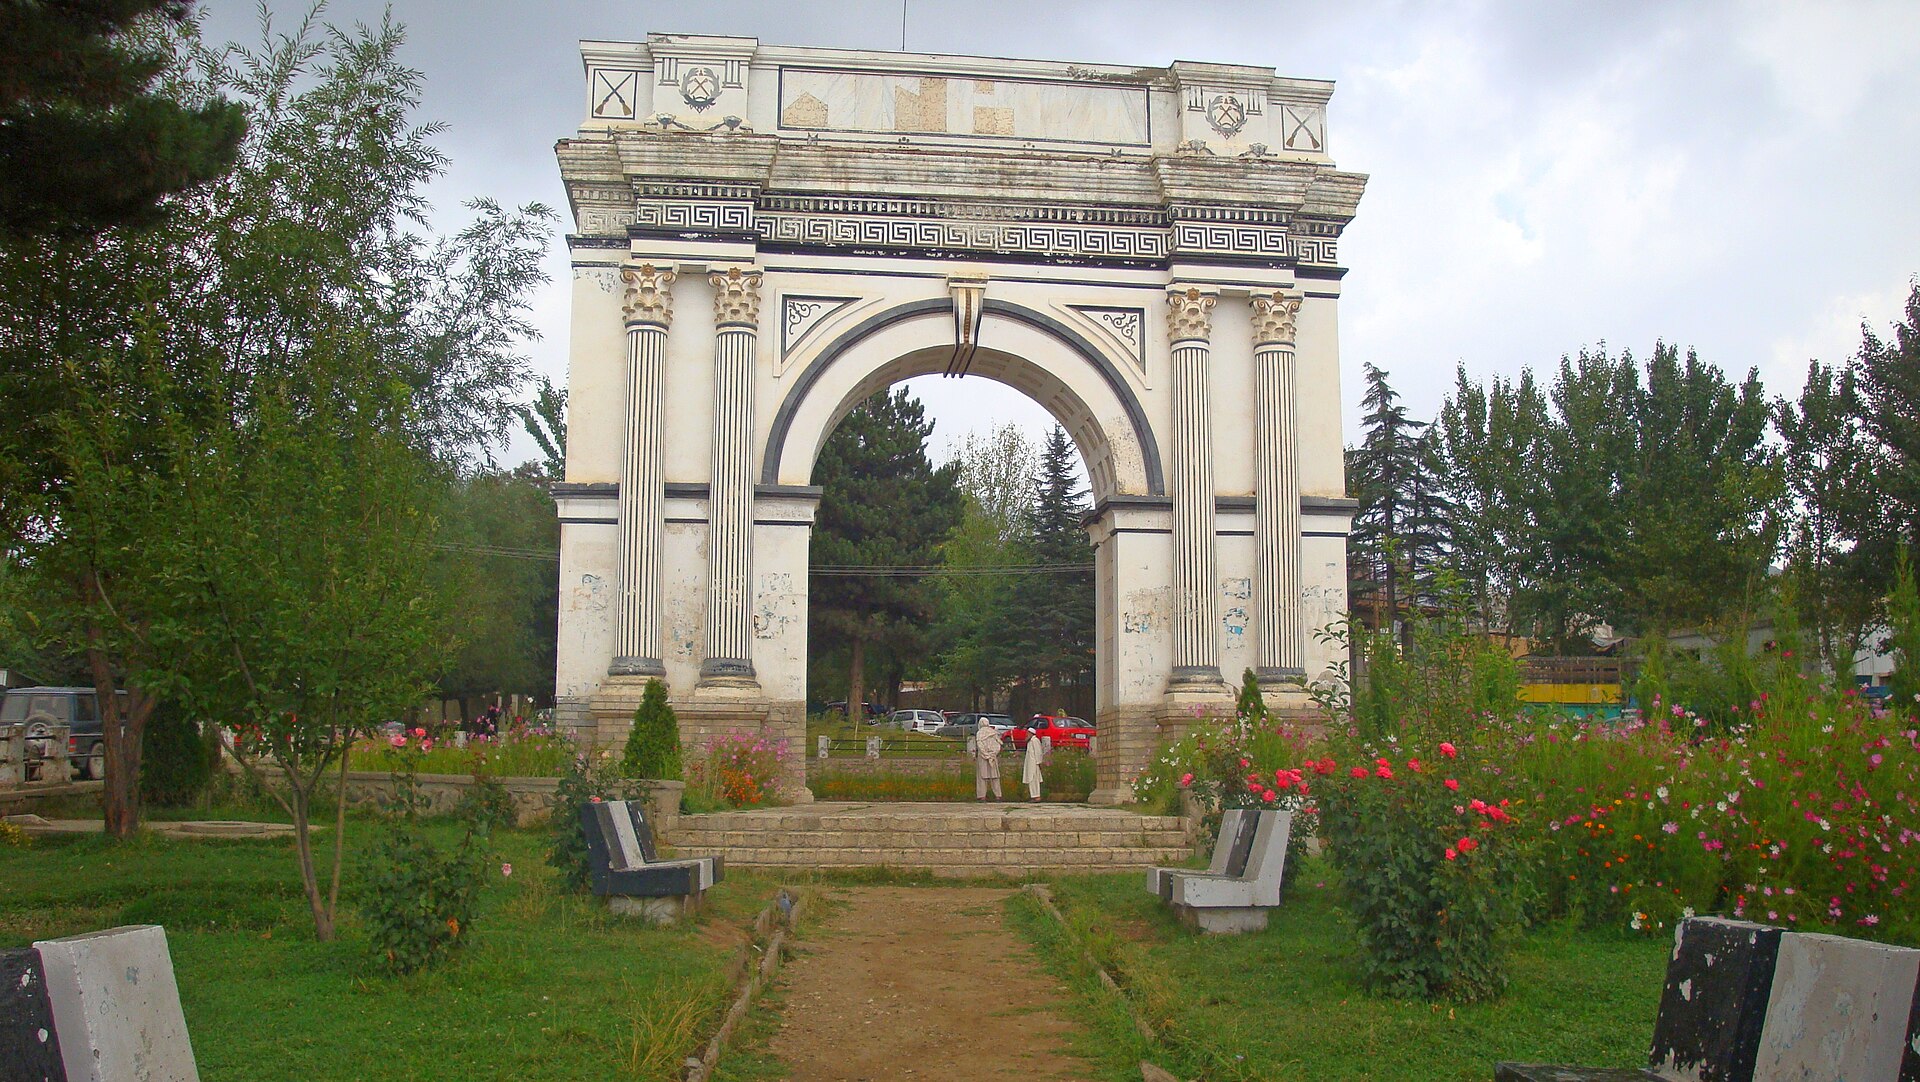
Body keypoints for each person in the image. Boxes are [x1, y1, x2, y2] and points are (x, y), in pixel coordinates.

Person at [971, 719, 1004, 801]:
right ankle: (998, 795)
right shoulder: (993, 732)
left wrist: (986, 755)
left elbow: (980, 746)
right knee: (995, 777)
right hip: (993, 757)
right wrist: (993, 754)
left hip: (983, 757)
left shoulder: (980, 733)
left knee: (982, 777)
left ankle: (982, 796)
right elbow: (998, 745)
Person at [1023, 728, 1050, 802]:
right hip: (1030, 764)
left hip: (1034, 764)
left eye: (1027, 733)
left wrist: (1039, 763)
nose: (1026, 735)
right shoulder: (1030, 742)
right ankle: (1033, 796)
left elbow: (1038, 752)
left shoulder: (1035, 741)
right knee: (1031, 780)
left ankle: (1036, 796)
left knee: (1034, 780)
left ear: (1031, 733)